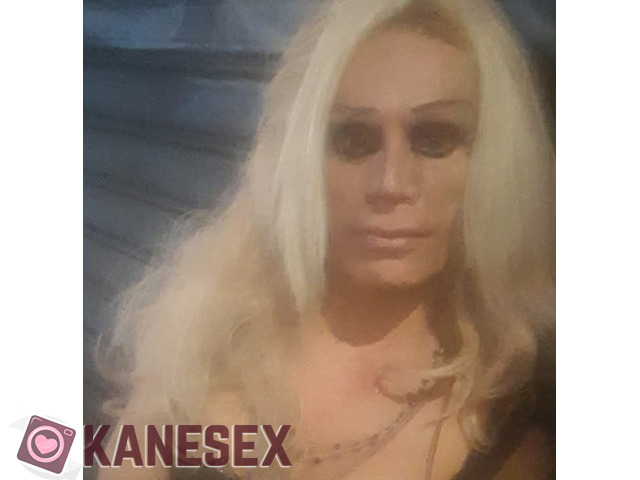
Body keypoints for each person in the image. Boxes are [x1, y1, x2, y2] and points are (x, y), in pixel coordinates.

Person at [96, 0, 555, 478]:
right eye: (353, 140)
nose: (391, 183)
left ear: (495, 157)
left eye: (435, 138)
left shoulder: (522, 417)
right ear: (299, 158)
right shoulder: (205, 335)